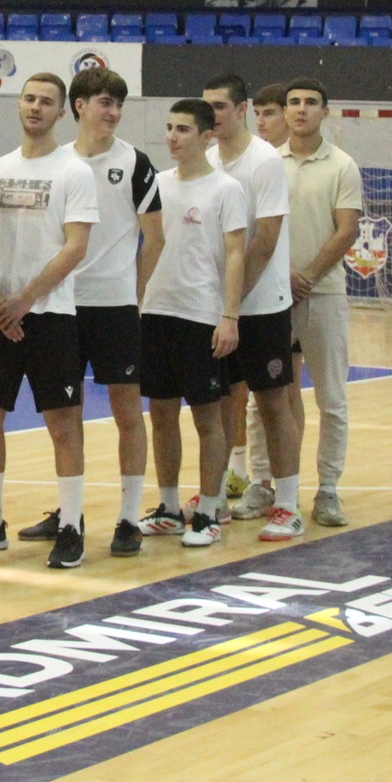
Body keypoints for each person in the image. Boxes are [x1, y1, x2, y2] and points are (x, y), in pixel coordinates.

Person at [0, 73, 97, 568]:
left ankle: (71, 525)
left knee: (62, 422)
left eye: (46, 102)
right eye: (29, 99)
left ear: (62, 113)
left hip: (50, 315)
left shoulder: (74, 172)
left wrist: (25, 299)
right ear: (18, 105)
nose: (35, 107)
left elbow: (76, 246)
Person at [54, 66, 162, 557]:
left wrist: (134, 296)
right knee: (65, 414)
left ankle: (128, 517)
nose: (114, 111)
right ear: (79, 106)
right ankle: (69, 517)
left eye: (119, 104)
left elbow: (155, 239)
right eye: (105, 102)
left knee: (127, 411)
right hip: (62, 306)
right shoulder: (57, 162)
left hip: (115, 307)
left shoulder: (136, 163)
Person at [137, 99, 245, 548]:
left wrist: (229, 315)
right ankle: (168, 507)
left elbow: (236, 254)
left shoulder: (226, 189)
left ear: (206, 136)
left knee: (207, 419)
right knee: (161, 415)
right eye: (169, 127)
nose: (172, 136)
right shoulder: (157, 185)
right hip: (155, 313)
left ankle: (208, 510)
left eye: (182, 129)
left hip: (200, 316)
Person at [203, 75, 302, 541]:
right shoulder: (206, 160)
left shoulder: (264, 162)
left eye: (220, 107)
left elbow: (265, 240)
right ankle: (216, 496)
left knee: (272, 402)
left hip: (261, 305)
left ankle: (288, 505)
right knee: (221, 401)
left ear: (242, 109)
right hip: (218, 308)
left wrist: (234, 300)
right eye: (206, 107)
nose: (212, 116)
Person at [281, 77, 363, 531]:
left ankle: (328, 488)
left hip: (324, 294)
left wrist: (309, 275)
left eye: (311, 102)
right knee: (266, 398)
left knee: (332, 398)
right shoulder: (268, 163)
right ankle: (266, 484)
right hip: (272, 295)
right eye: (294, 102)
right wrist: (280, 275)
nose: (301, 109)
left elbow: (347, 229)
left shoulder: (342, 165)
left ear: (324, 112)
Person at [251, 82, 291, 151]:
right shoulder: (252, 154)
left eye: (268, 114)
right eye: (257, 114)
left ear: (287, 114)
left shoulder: (306, 153)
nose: (259, 122)